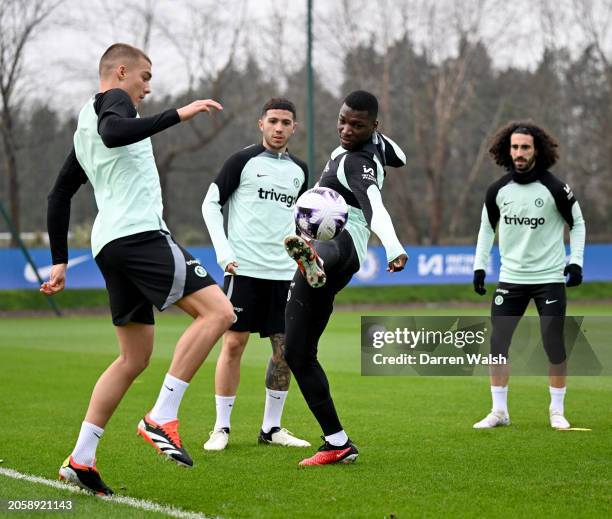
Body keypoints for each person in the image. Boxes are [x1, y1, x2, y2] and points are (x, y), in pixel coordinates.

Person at [41, 43, 235, 495]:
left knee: (134, 357)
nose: (148, 87)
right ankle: (162, 417)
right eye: (145, 77)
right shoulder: (115, 103)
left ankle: (80, 459)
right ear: (121, 71)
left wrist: (59, 261)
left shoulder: (82, 126)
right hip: (138, 235)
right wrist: (178, 114)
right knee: (220, 313)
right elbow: (115, 131)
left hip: (110, 244)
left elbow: (58, 195)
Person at [282, 90, 408, 466]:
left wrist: (394, 246)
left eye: (357, 125)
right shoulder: (376, 146)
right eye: (343, 120)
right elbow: (401, 157)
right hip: (327, 264)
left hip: (344, 245)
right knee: (298, 353)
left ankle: (314, 259)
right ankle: (337, 442)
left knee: (331, 240)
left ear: (373, 125)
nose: (346, 129)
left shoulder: (356, 161)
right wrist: (379, 139)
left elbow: (374, 205)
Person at [200, 98, 310, 450]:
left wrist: (305, 252)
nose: (279, 128)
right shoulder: (241, 161)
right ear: (261, 123)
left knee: (285, 351)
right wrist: (223, 251)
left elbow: (302, 220)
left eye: (286, 123)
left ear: (294, 128)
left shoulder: (300, 170)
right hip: (243, 268)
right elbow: (210, 204)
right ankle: (221, 428)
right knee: (234, 343)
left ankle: (272, 428)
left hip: (284, 273)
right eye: (273, 121)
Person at [471, 120, 585, 430]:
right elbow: (486, 228)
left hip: (549, 279)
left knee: (553, 344)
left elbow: (577, 224)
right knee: (498, 343)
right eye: (515, 147)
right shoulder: (498, 190)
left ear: (537, 150)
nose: (519, 153)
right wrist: (479, 265)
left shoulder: (555, 188)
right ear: (507, 151)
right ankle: (499, 411)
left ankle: (557, 411)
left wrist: (576, 262)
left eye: (525, 147)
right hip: (511, 279)